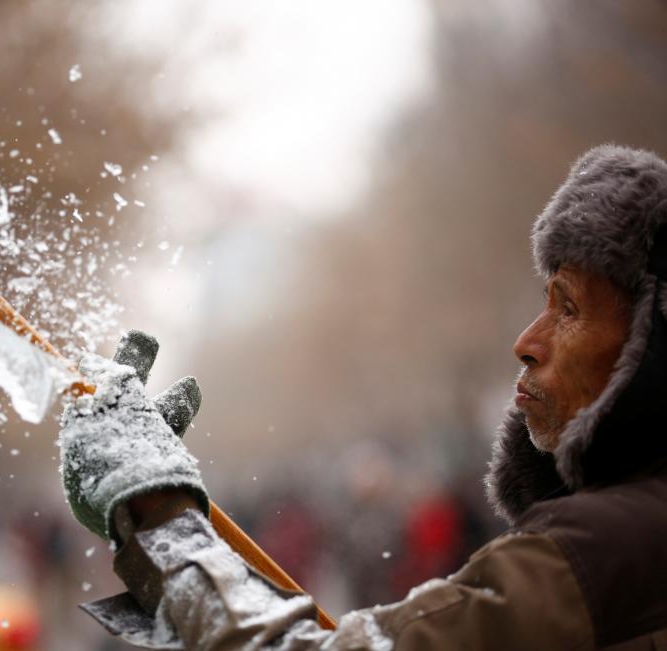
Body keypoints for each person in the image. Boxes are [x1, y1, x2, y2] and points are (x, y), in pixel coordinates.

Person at [57, 145, 667, 649]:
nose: (526, 342)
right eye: (543, 301)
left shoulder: (610, 550)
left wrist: (157, 512)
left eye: (569, 307)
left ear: (650, 350)